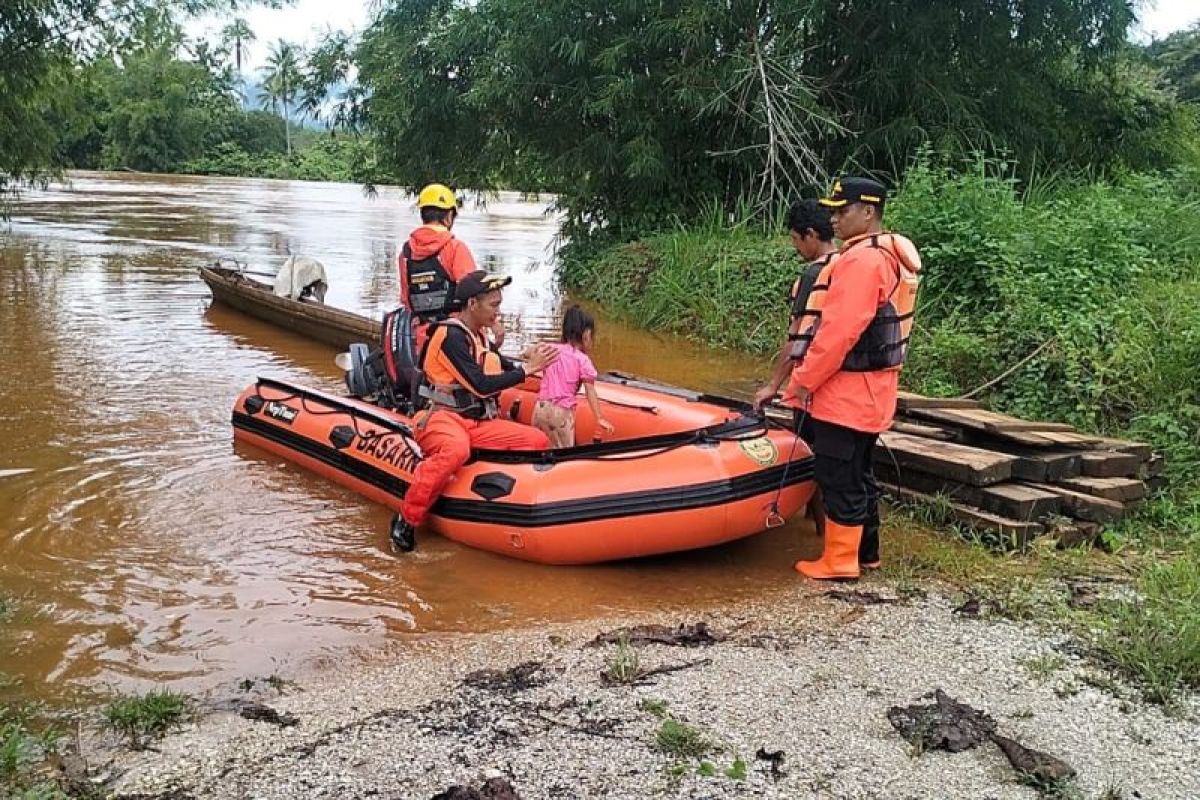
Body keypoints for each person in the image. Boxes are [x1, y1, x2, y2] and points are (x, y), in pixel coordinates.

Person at [785, 177, 921, 580]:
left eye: (843, 211)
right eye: (834, 210)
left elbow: (838, 332)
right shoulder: (887, 255)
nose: (835, 218)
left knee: (838, 475)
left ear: (868, 212)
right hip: (873, 392)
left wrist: (804, 380)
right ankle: (866, 553)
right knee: (860, 473)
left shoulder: (862, 261)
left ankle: (840, 561)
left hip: (846, 395)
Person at [391, 271, 558, 551]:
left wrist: (530, 363)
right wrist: (526, 370)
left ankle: (505, 502)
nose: (498, 311)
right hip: (439, 418)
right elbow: (481, 386)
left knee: (536, 441)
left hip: (476, 422)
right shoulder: (450, 337)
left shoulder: (478, 336)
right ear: (472, 304)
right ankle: (406, 520)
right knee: (456, 450)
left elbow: (502, 367)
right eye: (493, 305)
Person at [752, 200, 839, 412]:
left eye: (794, 238)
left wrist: (773, 386)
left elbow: (798, 335)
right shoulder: (846, 263)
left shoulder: (814, 274)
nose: (794, 246)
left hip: (811, 390)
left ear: (810, 234)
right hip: (836, 383)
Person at [398, 183, 502, 348]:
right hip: (455, 337)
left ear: (422, 214)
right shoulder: (455, 248)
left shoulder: (406, 253)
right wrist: (494, 323)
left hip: (420, 338)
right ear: (448, 217)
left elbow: (406, 300)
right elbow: (475, 296)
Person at [532, 305, 615, 448]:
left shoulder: (550, 350)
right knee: (564, 452)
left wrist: (536, 349)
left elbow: (529, 352)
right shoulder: (583, 360)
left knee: (541, 447)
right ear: (587, 335)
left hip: (540, 408)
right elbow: (590, 391)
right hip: (561, 413)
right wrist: (599, 418)